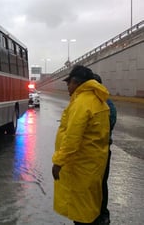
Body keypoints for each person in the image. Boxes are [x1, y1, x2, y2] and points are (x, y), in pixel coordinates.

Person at [52, 65, 110, 225]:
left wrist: (58, 161)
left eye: (68, 83)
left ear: (76, 82)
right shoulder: (98, 101)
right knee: (89, 206)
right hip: (92, 164)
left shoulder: (81, 104)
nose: (67, 87)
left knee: (81, 211)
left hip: (80, 166)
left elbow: (72, 138)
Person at [93, 73, 117, 225]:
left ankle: (102, 214)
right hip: (100, 150)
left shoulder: (105, 103)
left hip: (100, 151)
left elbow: (108, 125)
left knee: (100, 183)